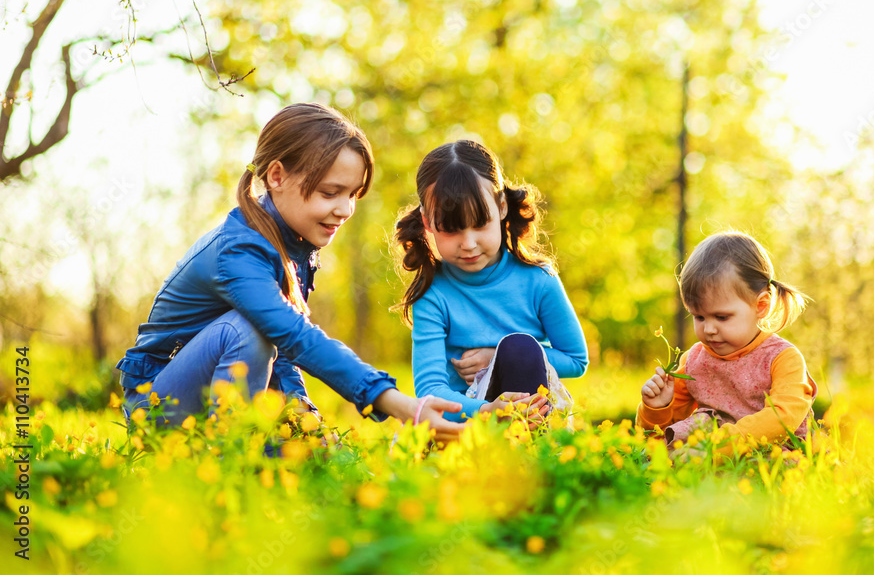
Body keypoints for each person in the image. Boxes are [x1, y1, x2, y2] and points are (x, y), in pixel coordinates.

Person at [114, 103, 463, 441]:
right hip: (157, 407)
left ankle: (257, 449)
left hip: (218, 396)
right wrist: (400, 405)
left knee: (313, 452)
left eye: (353, 194)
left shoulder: (293, 244)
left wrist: (305, 417)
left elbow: (282, 353)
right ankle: (230, 464)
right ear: (277, 176)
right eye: (330, 192)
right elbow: (293, 335)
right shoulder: (239, 252)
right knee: (246, 327)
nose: (345, 209)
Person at [393, 140, 589, 422]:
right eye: (451, 230)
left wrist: (495, 359)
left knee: (518, 348)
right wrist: (486, 412)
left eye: (479, 224)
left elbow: (576, 360)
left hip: (532, 415)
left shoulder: (538, 279)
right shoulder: (433, 295)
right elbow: (430, 390)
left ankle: (531, 451)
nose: (469, 243)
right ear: (427, 223)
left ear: (500, 207)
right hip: (467, 424)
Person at [637, 230, 816, 455]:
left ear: (760, 306)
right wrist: (658, 408)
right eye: (699, 317)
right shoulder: (694, 361)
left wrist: (718, 449)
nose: (709, 329)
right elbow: (661, 438)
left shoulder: (782, 358)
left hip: (769, 452)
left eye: (722, 317)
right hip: (707, 454)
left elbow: (782, 418)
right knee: (677, 446)